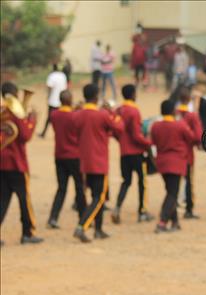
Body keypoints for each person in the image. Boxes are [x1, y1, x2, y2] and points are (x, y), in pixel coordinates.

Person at [73, 84, 124, 243]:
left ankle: (99, 229)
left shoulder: (78, 115)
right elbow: (120, 128)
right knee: (99, 197)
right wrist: (111, 111)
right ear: (96, 97)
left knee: (96, 195)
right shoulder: (101, 115)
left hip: (85, 162)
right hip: (99, 161)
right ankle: (82, 226)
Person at [0, 82, 44, 246]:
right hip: (17, 163)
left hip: (2, 163)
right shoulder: (15, 114)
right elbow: (25, 136)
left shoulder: (2, 112)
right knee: (24, 199)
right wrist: (32, 119)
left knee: (3, 200)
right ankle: (28, 233)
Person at [111, 84, 154, 224]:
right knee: (143, 182)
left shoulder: (119, 110)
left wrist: (122, 141)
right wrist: (148, 143)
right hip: (137, 152)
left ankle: (117, 207)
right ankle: (142, 212)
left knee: (126, 181)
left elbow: (115, 131)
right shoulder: (134, 111)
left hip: (124, 152)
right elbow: (136, 135)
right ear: (133, 94)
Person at [151, 100, 195, 233]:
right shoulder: (180, 125)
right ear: (173, 111)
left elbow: (152, 142)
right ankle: (162, 222)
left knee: (171, 191)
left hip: (162, 163)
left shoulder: (155, 126)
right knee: (172, 193)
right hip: (176, 163)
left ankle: (175, 222)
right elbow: (192, 138)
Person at [47, 90, 86, 229]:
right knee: (79, 188)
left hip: (59, 156)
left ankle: (53, 217)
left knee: (61, 188)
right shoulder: (75, 116)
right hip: (74, 156)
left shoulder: (54, 115)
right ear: (70, 100)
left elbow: (64, 116)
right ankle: (83, 218)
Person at [176, 87, 203, 219]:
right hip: (186, 154)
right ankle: (188, 209)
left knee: (174, 181)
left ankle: (174, 205)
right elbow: (197, 136)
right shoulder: (191, 116)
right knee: (188, 181)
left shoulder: (174, 113)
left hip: (173, 153)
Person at [39, 64, 67, 138]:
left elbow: (50, 87)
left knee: (49, 117)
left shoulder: (52, 76)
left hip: (53, 100)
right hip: (61, 100)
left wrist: (48, 96)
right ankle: (58, 133)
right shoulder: (63, 76)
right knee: (59, 118)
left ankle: (44, 133)